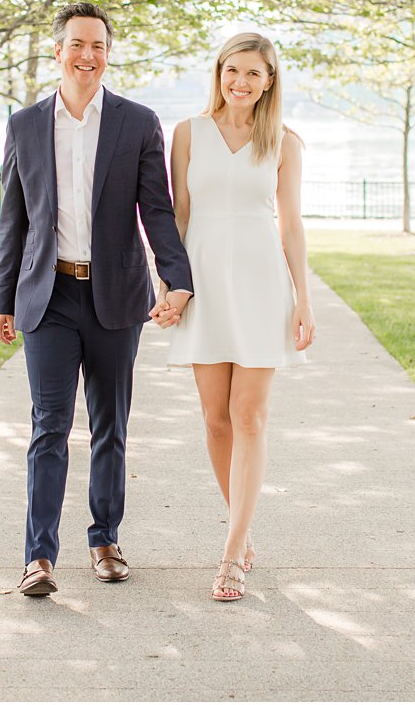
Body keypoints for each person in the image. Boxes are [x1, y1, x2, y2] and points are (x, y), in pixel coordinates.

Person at [0, 2, 194, 598]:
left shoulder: (137, 122)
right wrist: (2, 297)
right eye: (77, 45)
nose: (87, 56)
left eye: (98, 46)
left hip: (115, 297)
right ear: (57, 52)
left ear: (108, 53)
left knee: (111, 425)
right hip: (48, 296)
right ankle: (39, 557)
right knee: (49, 427)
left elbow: (156, 210)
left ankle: (105, 539)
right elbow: (14, 219)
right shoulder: (25, 124)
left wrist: (175, 281)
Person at [159, 31, 315, 602]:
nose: (241, 83)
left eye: (253, 73)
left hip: (259, 286)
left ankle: (232, 553)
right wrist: (169, 285)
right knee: (215, 420)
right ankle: (242, 529)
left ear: (269, 81)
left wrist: (304, 297)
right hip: (202, 286)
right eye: (232, 71)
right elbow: (178, 215)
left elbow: (290, 224)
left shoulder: (285, 142)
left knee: (249, 417)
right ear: (218, 73)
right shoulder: (187, 134)